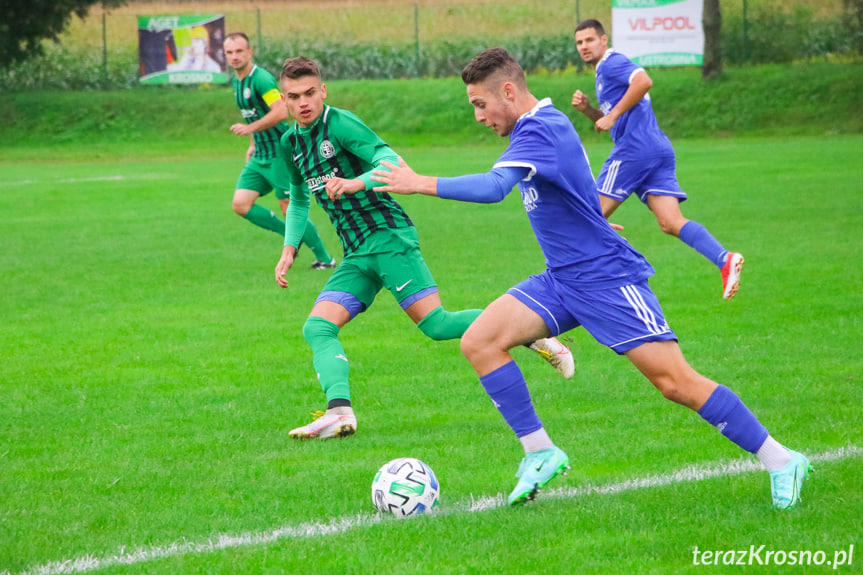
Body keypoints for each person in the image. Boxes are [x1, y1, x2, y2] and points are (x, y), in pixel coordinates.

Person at [370, 47, 810, 509]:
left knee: (675, 383)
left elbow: (493, 188)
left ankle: (781, 459)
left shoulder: (541, 128)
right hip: (562, 278)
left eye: (480, 104)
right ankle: (539, 451)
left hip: (605, 279)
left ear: (507, 91)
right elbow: (575, 188)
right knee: (480, 340)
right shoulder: (536, 129)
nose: (478, 116)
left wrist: (419, 181)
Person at [273, 56, 574, 440]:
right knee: (317, 327)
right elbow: (299, 198)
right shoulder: (290, 143)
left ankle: (530, 333)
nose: (304, 102)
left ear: (323, 91)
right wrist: (289, 248)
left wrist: (355, 183)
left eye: (311, 93)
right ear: (284, 100)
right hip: (357, 252)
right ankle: (339, 412)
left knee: (436, 324)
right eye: (295, 96)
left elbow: (389, 160)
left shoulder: (341, 124)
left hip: (388, 238)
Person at [571, 19, 744, 300]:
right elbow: (611, 123)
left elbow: (644, 81)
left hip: (634, 151)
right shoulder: (603, 73)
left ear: (604, 40)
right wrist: (590, 110)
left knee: (590, 215)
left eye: (589, 40)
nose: (584, 46)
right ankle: (725, 259)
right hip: (656, 149)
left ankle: (599, 281)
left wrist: (612, 115)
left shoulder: (612, 63)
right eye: (579, 42)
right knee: (670, 222)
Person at [224, 32, 335, 269]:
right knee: (240, 204)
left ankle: (325, 259)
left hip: (278, 153)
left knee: (289, 206)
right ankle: (292, 238)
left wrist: (249, 129)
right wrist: (252, 143)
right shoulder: (237, 81)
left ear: (249, 52)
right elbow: (254, 113)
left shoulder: (261, 79)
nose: (234, 57)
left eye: (239, 51)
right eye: (229, 52)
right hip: (260, 155)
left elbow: (280, 111)